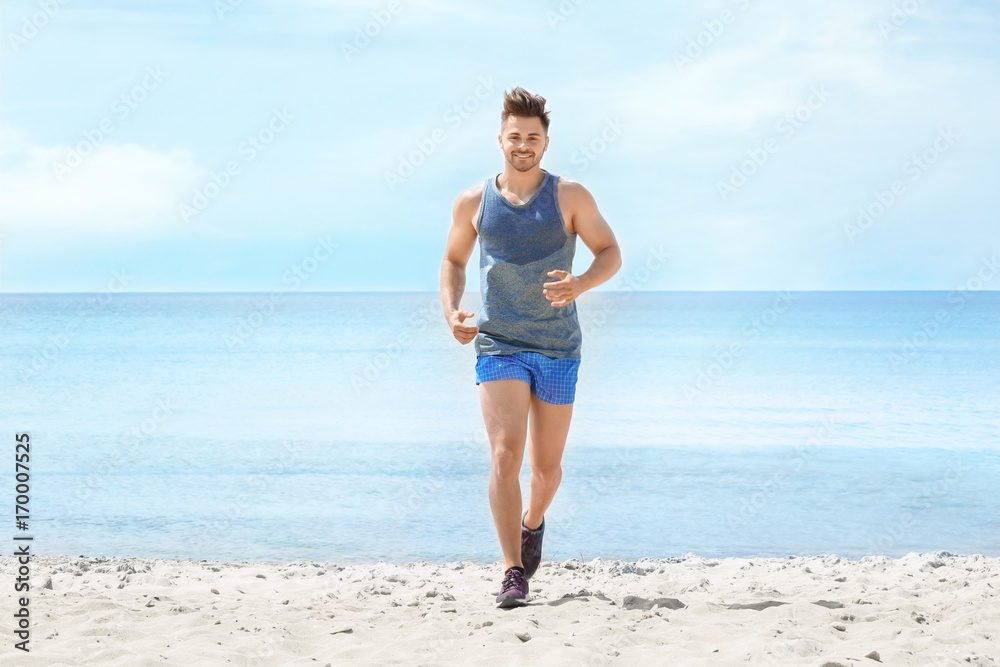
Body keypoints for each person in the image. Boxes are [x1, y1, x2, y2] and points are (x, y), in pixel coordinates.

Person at [439, 86, 621, 608]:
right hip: (499, 343)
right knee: (504, 455)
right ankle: (512, 571)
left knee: (545, 470)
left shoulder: (570, 196)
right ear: (500, 139)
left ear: (545, 143)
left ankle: (533, 521)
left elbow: (610, 252)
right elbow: (453, 261)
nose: (523, 145)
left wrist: (581, 283)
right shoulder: (473, 202)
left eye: (532, 138)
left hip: (558, 346)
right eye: (514, 136)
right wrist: (451, 312)